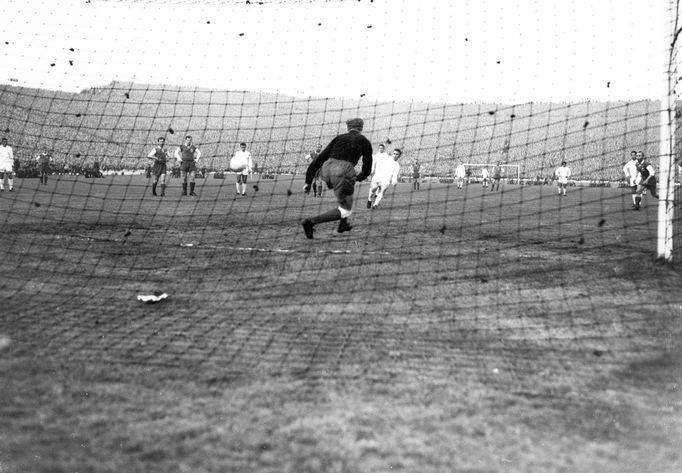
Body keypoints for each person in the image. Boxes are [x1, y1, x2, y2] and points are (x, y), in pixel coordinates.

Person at [301, 118, 373, 239]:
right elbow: (367, 168)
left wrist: (308, 182)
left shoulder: (338, 138)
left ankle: (343, 225)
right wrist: (359, 178)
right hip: (344, 170)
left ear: (348, 128)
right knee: (346, 209)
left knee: (343, 197)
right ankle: (310, 222)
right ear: (361, 128)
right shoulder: (364, 141)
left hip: (327, 168)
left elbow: (320, 159)